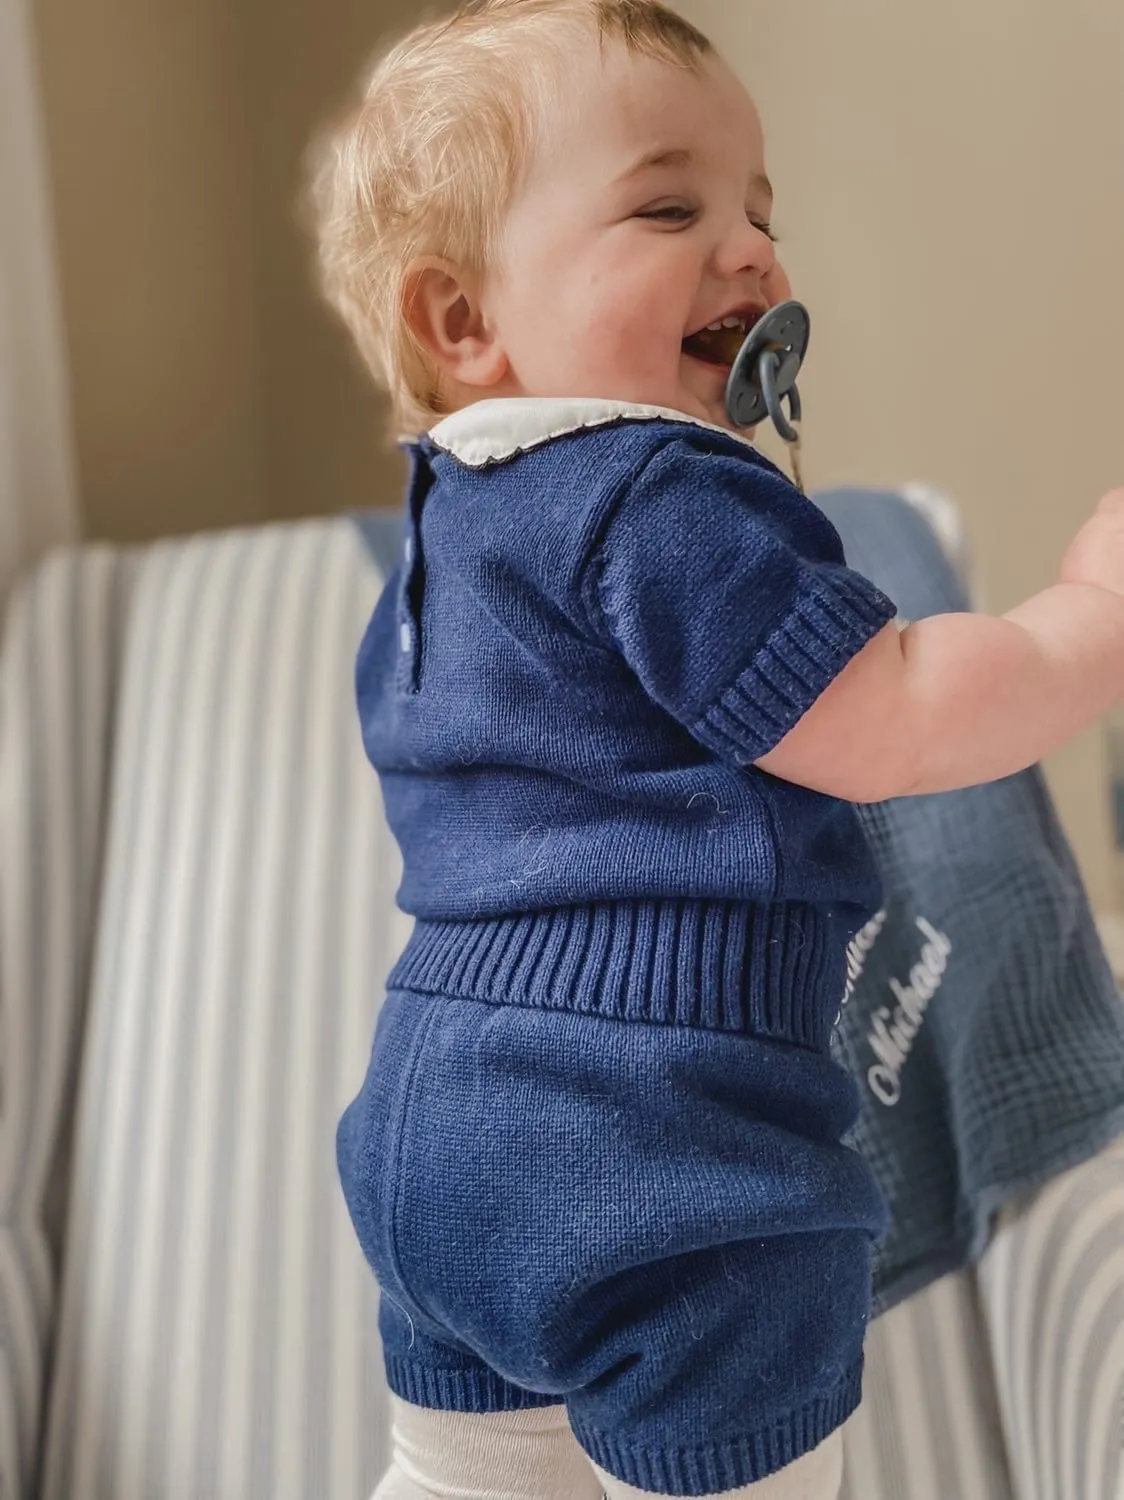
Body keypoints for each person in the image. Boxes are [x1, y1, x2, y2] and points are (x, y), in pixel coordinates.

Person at [306, 2, 1124, 1494]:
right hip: (662, 1145)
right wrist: (1090, 617)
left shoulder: (445, 544)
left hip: (431, 1133)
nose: (751, 249)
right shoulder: (657, 488)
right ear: (462, 321)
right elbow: (891, 716)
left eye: (760, 209)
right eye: (669, 205)